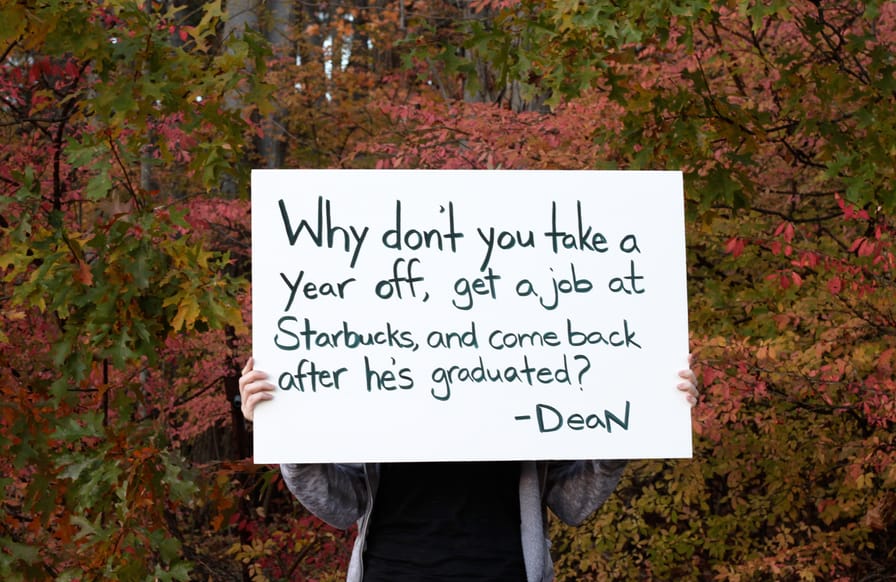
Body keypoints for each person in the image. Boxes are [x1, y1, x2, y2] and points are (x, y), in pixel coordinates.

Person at [239, 357, 699, 582]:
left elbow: (571, 504)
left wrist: (638, 418)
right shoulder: (378, 370)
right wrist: (287, 427)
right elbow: (341, 504)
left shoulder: (528, 368)